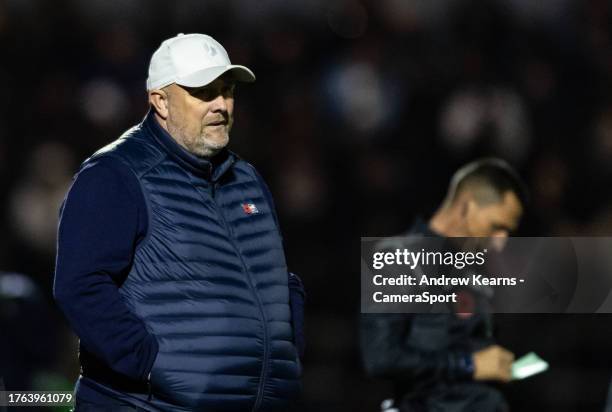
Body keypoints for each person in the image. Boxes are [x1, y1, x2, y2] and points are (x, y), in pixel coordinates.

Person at [53, 33, 304, 412]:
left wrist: (286, 354)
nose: (221, 105)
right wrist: (150, 364)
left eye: (228, 90)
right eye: (204, 93)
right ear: (161, 101)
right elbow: (80, 285)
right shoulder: (115, 175)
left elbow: (277, 280)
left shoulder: (248, 179)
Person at [361, 158, 527, 412]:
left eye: (507, 232)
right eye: (496, 227)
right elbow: (381, 358)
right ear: (465, 207)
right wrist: (469, 365)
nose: (500, 242)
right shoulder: (400, 258)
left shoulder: (478, 269)